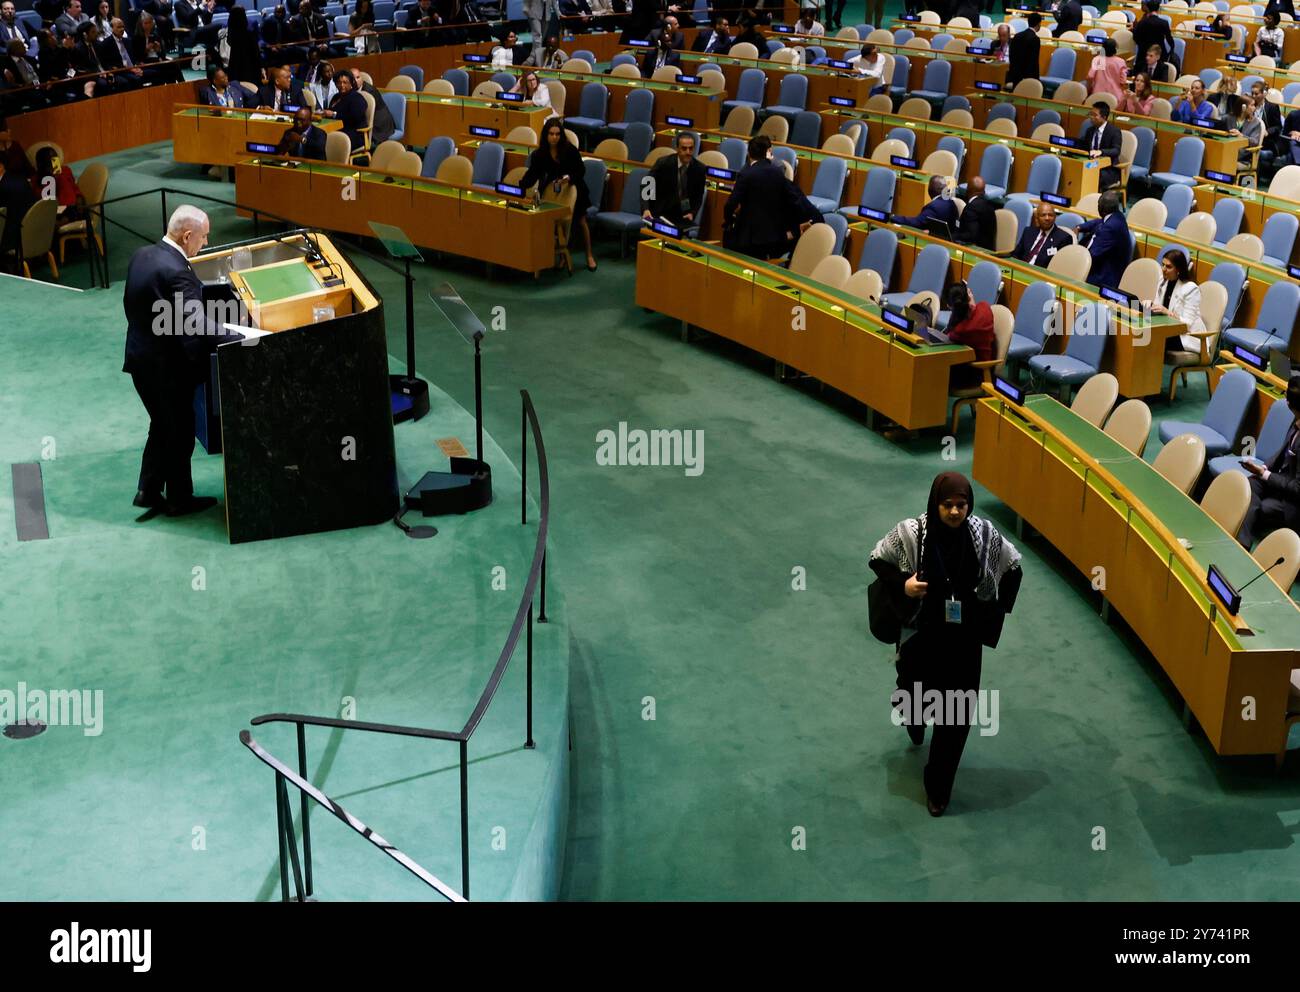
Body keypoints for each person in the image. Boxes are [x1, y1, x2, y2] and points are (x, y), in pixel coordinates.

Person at [869, 471, 1023, 817]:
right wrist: (904, 584)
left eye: (962, 505)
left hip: (963, 639)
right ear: (935, 503)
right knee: (915, 699)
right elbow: (877, 559)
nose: (955, 512)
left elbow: (1013, 567)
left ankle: (938, 787)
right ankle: (914, 716)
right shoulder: (913, 532)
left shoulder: (983, 534)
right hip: (923, 633)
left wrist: (993, 611)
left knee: (955, 715)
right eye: (948, 505)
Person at [122, 205, 244, 516]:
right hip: (167, 369)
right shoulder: (178, 271)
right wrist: (243, 336)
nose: (205, 242)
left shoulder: (142, 255)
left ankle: (147, 491)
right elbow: (198, 325)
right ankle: (179, 499)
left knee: (161, 426)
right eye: (203, 237)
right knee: (180, 432)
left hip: (139, 360)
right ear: (188, 236)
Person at [723, 134, 821, 260]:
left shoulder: (745, 175)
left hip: (748, 241)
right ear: (768, 152)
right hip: (773, 238)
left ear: (748, 154)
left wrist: (729, 218)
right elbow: (795, 200)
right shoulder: (778, 173)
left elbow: (731, 204)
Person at [520, 116, 598, 270]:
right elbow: (532, 175)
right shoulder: (540, 154)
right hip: (553, 192)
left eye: (557, 134)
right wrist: (519, 189)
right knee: (556, 223)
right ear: (546, 135)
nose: (554, 137)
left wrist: (569, 177)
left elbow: (581, 170)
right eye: (551, 134)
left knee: (581, 222)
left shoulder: (569, 150)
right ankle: (562, 255)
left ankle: (589, 255)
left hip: (575, 188)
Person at [1241, 375, 1300, 546]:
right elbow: (1283, 450)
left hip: (1293, 500)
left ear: (1288, 403)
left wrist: (1265, 474)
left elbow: (1298, 488)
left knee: (1262, 507)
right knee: (1248, 485)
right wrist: (1265, 467)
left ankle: (1243, 538)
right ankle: (1242, 543)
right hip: (1279, 480)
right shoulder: (1296, 418)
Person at [641, 130, 705, 228]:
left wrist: (692, 213)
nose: (688, 152)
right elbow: (647, 183)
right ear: (677, 149)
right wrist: (646, 209)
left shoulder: (699, 169)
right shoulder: (664, 163)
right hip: (661, 212)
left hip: (682, 215)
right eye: (684, 148)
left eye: (691, 148)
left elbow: (698, 196)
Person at [1150, 249, 1204, 353]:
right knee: (1143, 332)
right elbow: (1157, 308)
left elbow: (1187, 324)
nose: (1164, 269)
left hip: (1187, 336)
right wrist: (1148, 306)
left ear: (1178, 269)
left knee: (1153, 338)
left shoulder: (1191, 289)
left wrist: (1167, 312)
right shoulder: (1162, 280)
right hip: (1167, 329)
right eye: (1163, 265)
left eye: (1169, 267)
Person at [1074, 190, 1130, 290]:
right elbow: (1099, 222)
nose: (1097, 206)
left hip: (1102, 277)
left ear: (1102, 209)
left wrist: (1075, 255)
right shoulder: (1117, 216)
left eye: (1098, 204)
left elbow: (1092, 255)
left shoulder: (1111, 228)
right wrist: (1080, 227)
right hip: (1101, 265)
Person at [943, 281, 995, 389]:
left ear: (950, 306)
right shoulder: (985, 308)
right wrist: (970, 298)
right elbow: (975, 311)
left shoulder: (959, 330)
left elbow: (949, 335)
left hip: (974, 374)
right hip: (978, 369)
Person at [892, 174, 958, 237]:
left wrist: (894, 217)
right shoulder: (951, 202)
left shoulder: (933, 207)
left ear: (929, 190)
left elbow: (917, 223)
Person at [1013, 200, 1072, 267]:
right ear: (1037, 218)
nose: (1047, 218)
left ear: (1055, 217)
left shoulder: (1064, 238)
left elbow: (1059, 266)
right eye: (1043, 215)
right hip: (1020, 269)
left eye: (1050, 215)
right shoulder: (1028, 231)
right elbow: (1016, 255)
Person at [30, 143, 81, 218]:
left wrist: (58, 175)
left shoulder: (65, 171)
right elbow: (42, 201)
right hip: (50, 214)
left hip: (70, 209)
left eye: (55, 159)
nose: (54, 163)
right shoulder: (36, 179)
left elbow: (75, 191)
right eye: (49, 161)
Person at [323, 68, 366, 152]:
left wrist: (334, 114)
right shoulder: (336, 97)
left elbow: (354, 118)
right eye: (339, 83)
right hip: (336, 130)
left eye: (345, 82)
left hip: (353, 133)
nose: (342, 85)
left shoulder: (357, 98)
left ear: (351, 83)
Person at [1082, 101, 1122, 190]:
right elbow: (1083, 146)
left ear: (1104, 117)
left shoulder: (1114, 131)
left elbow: (1116, 150)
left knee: (1092, 174)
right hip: (1090, 164)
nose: (1091, 117)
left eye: (1094, 115)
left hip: (1108, 169)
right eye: (1090, 114)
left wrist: (1101, 152)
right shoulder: (1090, 130)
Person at [221, 5, 261, 89]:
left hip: (234, 69)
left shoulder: (228, 33)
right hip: (250, 70)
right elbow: (256, 55)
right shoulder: (250, 33)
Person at [953, 175, 996, 251]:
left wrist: (952, 236)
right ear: (983, 190)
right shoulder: (990, 206)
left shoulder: (971, 208)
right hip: (988, 250)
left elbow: (970, 235)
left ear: (968, 190)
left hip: (975, 250)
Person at [1132, 0, 1176, 72]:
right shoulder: (1164, 23)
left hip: (1143, 54)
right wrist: (1170, 52)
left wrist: (1142, 45)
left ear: (1148, 9)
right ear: (1158, 9)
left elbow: (1135, 38)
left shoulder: (1142, 22)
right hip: (1159, 55)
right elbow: (1170, 40)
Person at [1222, 93, 1262, 168]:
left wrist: (1241, 136)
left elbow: (1255, 142)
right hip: (1225, 152)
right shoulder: (1227, 118)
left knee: (1227, 164)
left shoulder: (1256, 123)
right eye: (1252, 105)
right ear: (1243, 107)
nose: (1254, 108)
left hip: (1243, 158)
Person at [1007, 12, 1041, 88]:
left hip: (1015, 74)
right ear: (1039, 24)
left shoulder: (1017, 36)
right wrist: (1036, 79)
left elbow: (1011, 55)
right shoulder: (1035, 39)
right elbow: (1033, 61)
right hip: (1028, 77)